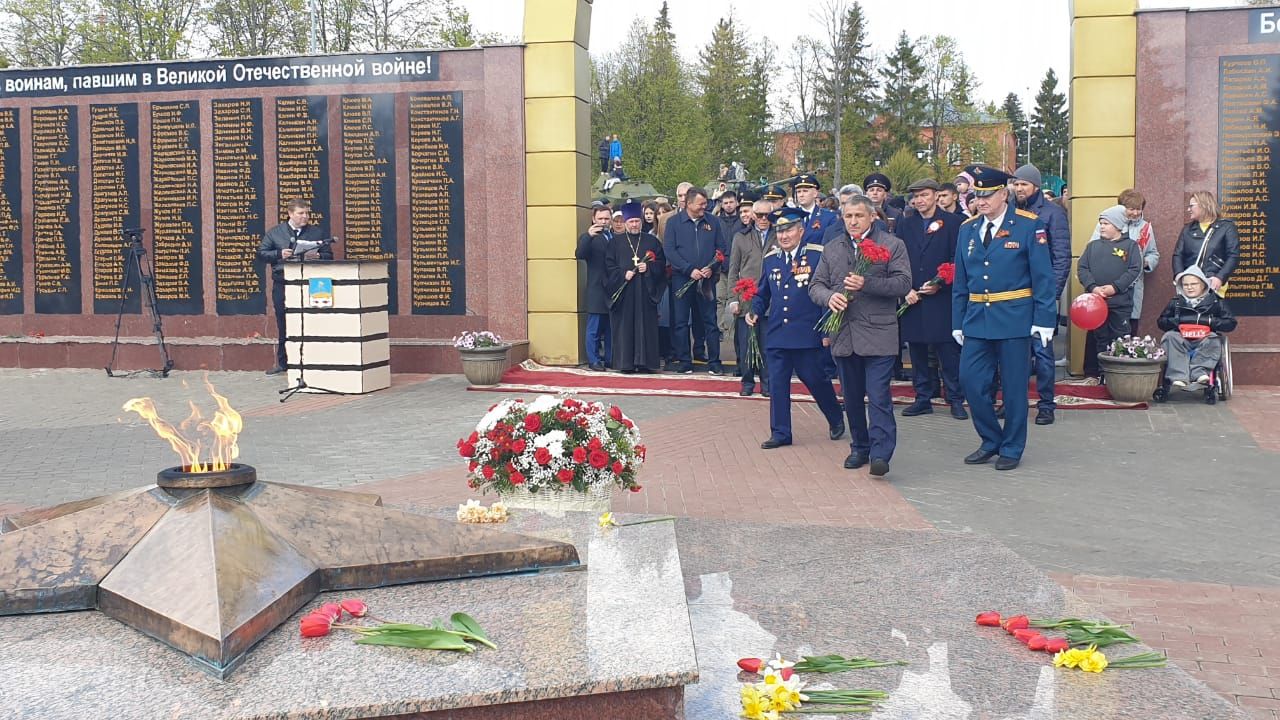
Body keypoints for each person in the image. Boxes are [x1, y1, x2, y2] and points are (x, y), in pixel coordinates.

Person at [951, 166, 1056, 471]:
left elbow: (1043, 277)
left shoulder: (1028, 226)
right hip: (976, 319)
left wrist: (1044, 319)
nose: (980, 201)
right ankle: (990, 439)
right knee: (970, 382)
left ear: (1003, 194)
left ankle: (1011, 446)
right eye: (976, 195)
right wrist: (957, 321)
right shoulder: (968, 229)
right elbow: (961, 280)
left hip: (1014, 318)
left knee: (1013, 389)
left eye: (986, 195)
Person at [809, 195, 912, 477]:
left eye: (858, 216)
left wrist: (868, 283)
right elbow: (815, 285)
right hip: (844, 333)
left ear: (872, 217)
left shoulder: (891, 244)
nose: (853, 221)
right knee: (851, 397)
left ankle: (881, 453)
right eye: (848, 216)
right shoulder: (832, 248)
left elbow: (903, 283)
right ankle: (860, 447)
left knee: (878, 396)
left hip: (878, 333)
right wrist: (830, 298)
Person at [746, 207, 846, 449]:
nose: (783, 236)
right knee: (777, 385)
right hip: (778, 333)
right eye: (779, 231)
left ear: (800, 230)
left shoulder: (815, 255)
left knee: (815, 380)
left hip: (806, 333)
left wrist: (826, 331)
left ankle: (835, 417)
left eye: (788, 230)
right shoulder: (771, 259)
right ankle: (780, 432)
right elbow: (763, 292)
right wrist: (754, 310)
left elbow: (825, 291)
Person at [897, 178, 967, 420]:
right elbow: (900, 261)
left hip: (942, 297)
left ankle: (955, 398)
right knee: (917, 351)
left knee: (947, 351)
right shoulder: (905, 225)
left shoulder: (954, 223)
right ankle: (923, 397)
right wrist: (906, 288)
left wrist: (940, 282)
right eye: (915, 196)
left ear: (936, 196)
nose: (919, 200)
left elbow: (958, 259)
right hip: (914, 297)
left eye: (924, 195)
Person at [1010, 164, 1071, 426]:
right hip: (1014, 295)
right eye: (1016, 184)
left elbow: (1061, 257)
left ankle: (1046, 405)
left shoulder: (1053, 214)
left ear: (1035, 186)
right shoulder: (1010, 211)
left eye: (1023, 184)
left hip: (1041, 295)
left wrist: (1052, 294)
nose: (1019, 188)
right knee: (1014, 353)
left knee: (1043, 352)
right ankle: (1014, 402)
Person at [257, 198, 331, 375]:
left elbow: (329, 254)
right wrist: (279, 253)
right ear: (290, 214)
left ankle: (311, 361)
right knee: (284, 322)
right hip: (284, 283)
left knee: (313, 321)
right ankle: (284, 363)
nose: (305, 217)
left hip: (310, 283)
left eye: (307, 213)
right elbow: (261, 253)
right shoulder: (275, 233)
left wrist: (319, 257)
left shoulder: (316, 232)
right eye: (301, 213)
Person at [665, 187, 729, 374]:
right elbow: (670, 251)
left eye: (705, 203)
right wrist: (688, 269)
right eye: (701, 203)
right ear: (689, 203)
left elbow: (722, 249)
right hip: (682, 279)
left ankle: (714, 361)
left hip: (706, 281)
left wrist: (712, 267)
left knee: (710, 320)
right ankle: (685, 360)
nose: (705, 206)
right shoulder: (673, 223)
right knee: (681, 321)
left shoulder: (713, 222)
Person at [1077, 205, 1143, 376]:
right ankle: (1098, 374)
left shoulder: (1131, 246)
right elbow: (1082, 267)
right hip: (1096, 305)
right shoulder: (1093, 246)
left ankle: (1118, 375)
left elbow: (1135, 269)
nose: (1102, 227)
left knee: (1119, 340)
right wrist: (1093, 287)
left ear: (1118, 225)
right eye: (1101, 223)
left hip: (1120, 304)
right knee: (1099, 339)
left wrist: (1115, 287)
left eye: (1106, 223)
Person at [605, 201, 666, 374]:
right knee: (625, 327)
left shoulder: (651, 241)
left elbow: (662, 265)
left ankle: (647, 363)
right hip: (625, 294)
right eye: (631, 222)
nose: (634, 225)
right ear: (625, 223)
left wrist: (649, 268)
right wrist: (622, 274)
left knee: (646, 326)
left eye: (637, 221)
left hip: (645, 293)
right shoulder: (614, 243)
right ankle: (626, 363)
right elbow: (608, 268)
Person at [1089, 189, 1159, 335]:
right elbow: (1093, 250)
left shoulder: (1145, 227)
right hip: (1105, 284)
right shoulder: (1106, 223)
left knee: (1127, 330)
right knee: (1100, 330)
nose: (1135, 213)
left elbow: (1153, 253)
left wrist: (1146, 262)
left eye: (1138, 209)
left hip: (1131, 285)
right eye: (1131, 209)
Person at [1157, 266, 1236, 388]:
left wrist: (1210, 321)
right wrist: (1177, 322)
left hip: (1205, 337)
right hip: (1181, 337)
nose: (1189, 287)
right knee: (1169, 337)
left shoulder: (1216, 301)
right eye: (1186, 285)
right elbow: (1161, 321)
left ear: (1203, 284)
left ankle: (1199, 373)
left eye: (1194, 284)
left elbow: (1230, 323)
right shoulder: (1176, 301)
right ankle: (1179, 376)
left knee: (1214, 339)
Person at [727, 199, 777, 396]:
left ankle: (767, 384)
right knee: (747, 344)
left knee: (766, 345)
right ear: (753, 215)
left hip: (771, 298)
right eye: (760, 215)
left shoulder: (778, 235)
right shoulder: (741, 237)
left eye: (768, 215)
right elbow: (733, 269)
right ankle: (747, 383)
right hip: (747, 296)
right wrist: (733, 299)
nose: (764, 219)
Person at [1173, 191, 1240, 293]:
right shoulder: (1187, 229)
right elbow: (1178, 255)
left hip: (1214, 285)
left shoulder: (1226, 227)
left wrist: (1220, 277)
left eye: (1191, 206)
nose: (1188, 209)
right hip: (1191, 287)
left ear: (1204, 205)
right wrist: (1179, 275)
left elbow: (1233, 256)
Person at [576, 204, 615, 371]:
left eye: (607, 218)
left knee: (611, 328)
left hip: (613, 288)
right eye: (600, 219)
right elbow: (579, 254)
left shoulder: (613, 236)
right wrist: (588, 236)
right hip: (596, 288)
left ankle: (610, 358)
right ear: (594, 219)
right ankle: (593, 360)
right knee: (594, 328)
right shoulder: (588, 237)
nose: (604, 222)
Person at [792, 174, 838, 247]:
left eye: (805, 191)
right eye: (798, 191)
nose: (801, 195)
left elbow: (832, 244)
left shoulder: (828, 217)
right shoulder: (791, 217)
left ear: (815, 193)